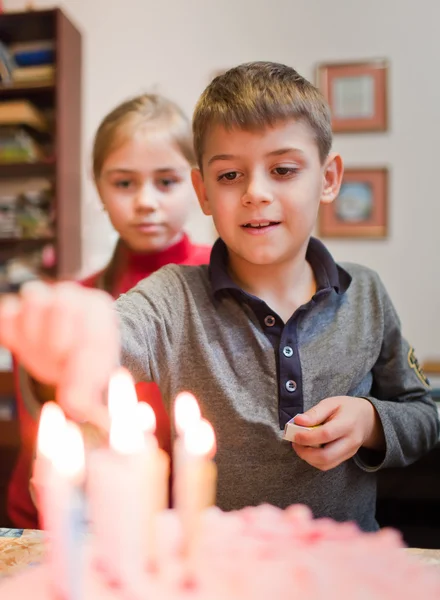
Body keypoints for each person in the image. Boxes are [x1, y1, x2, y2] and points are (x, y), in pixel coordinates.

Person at [1, 62, 438, 531]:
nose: (256, 193)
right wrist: (76, 337)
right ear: (203, 191)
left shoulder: (366, 293)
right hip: (218, 572)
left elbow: (423, 414)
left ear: (329, 178)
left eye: (283, 169)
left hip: (347, 568)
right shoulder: (174, 297)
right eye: (230, 176)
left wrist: (371, 422)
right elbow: (115, 331)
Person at [6, 93, 211, 529]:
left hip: (199, 524)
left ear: (197, 185)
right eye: (124, 183)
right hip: (90, 525)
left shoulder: (223, 280)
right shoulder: (78, 303)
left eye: (166, 181)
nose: (145, 201)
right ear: (99, 188)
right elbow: (44, 431)